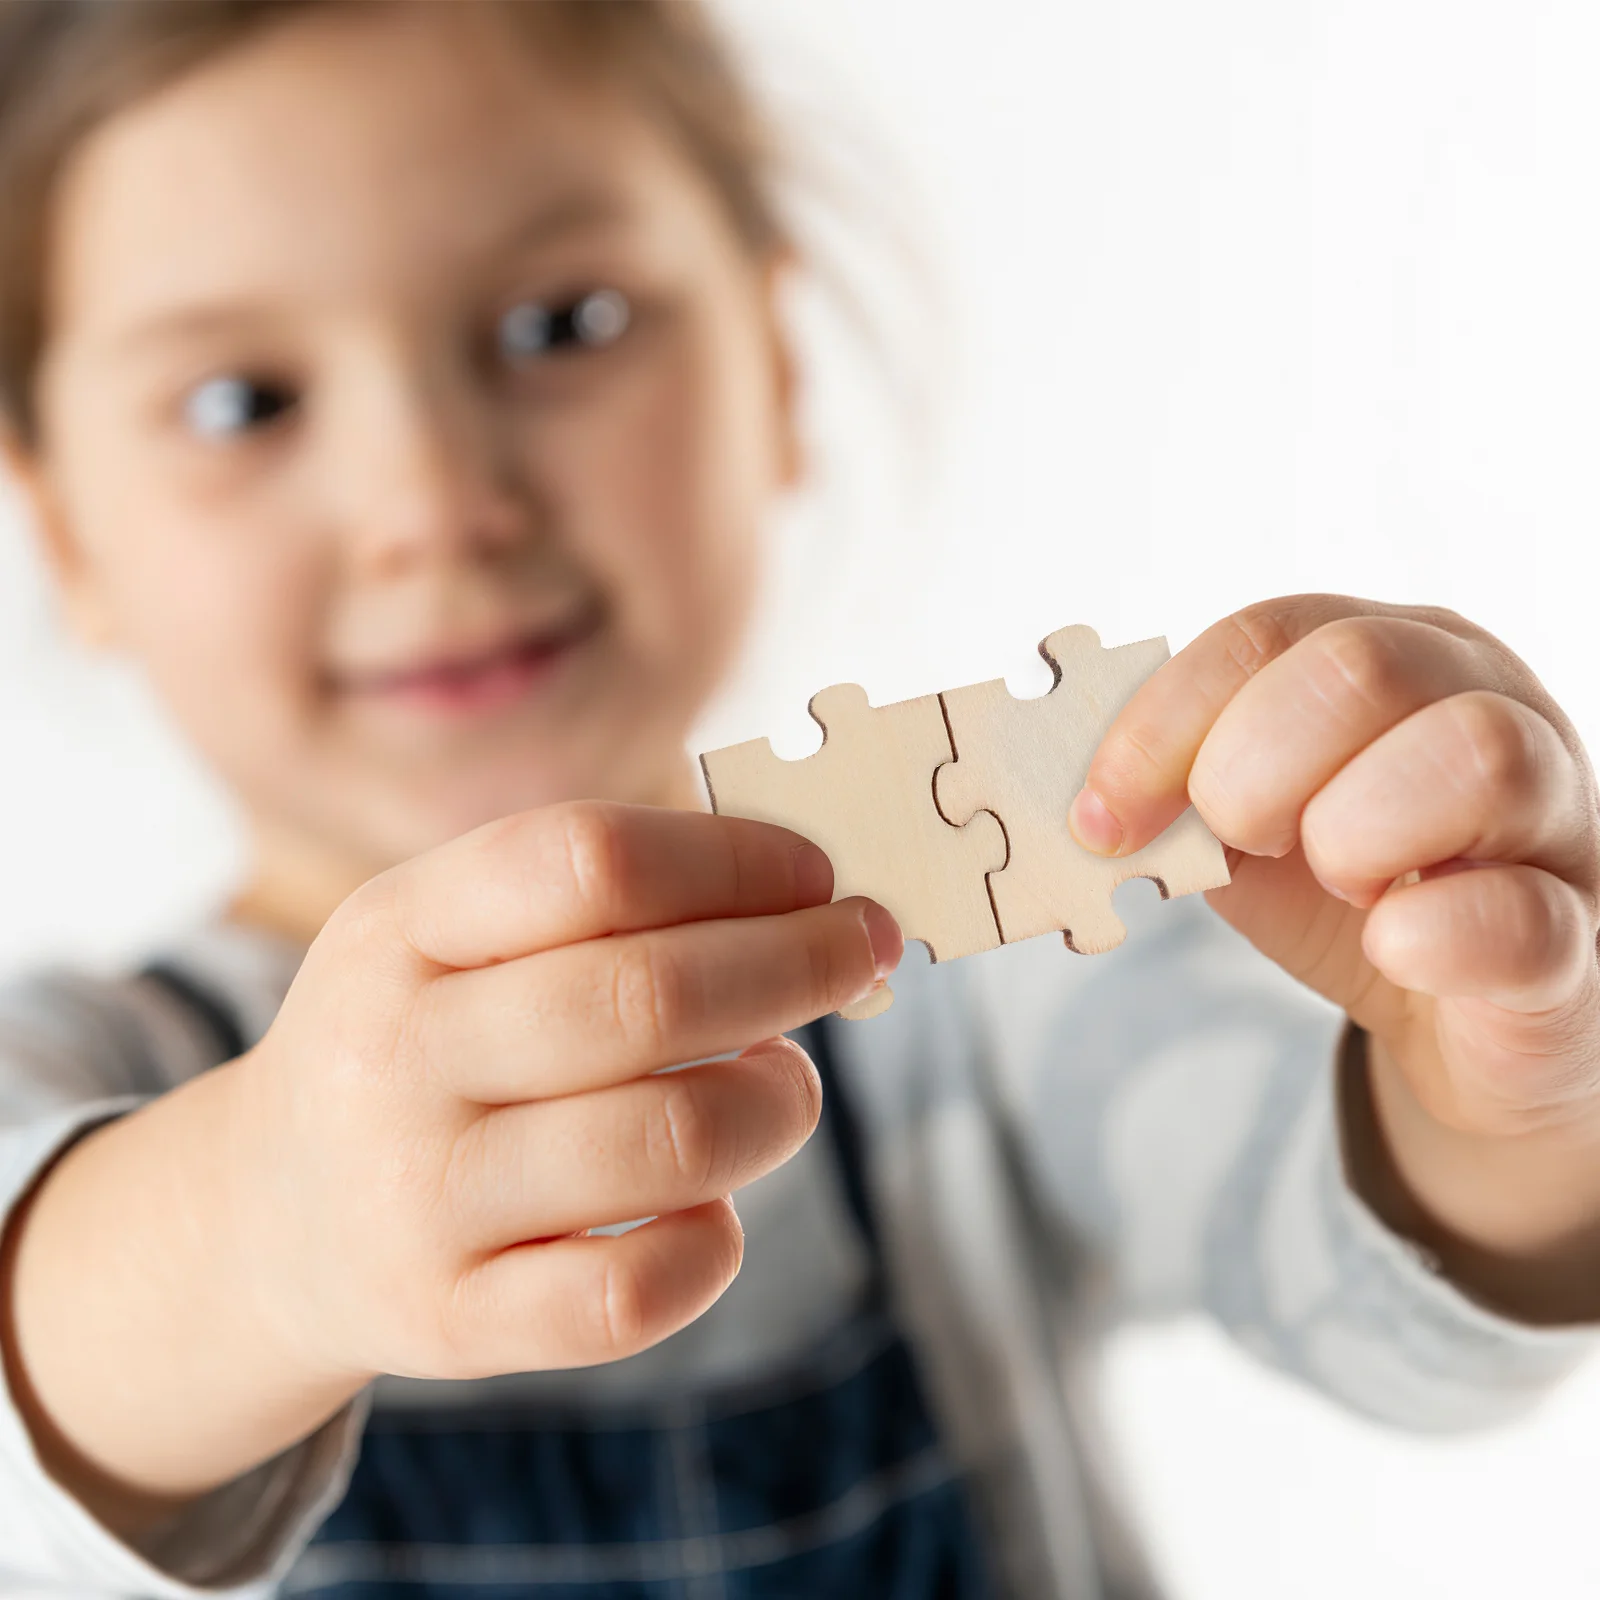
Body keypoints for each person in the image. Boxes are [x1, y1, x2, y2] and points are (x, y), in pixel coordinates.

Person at [0, 2, 1595, 1595]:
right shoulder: (80, 1075)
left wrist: (1509, 1094)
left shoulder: (979, 981)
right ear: (65, 533)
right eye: (241, 404)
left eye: (561, 324)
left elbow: (1383, 1297)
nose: (432, 505)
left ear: (771, 364)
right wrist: (261, 1229)